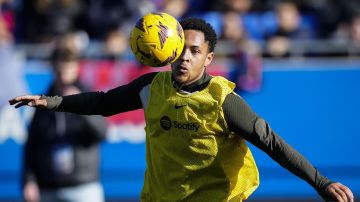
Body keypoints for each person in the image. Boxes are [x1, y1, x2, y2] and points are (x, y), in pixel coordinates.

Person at [10, 18, 354, 202]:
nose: (184, 57)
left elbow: (272, 143)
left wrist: (322, 183)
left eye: (194, 50)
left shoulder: (223, 101)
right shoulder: (150, 87)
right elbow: (102, 102)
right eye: (180, 49)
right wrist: (50, 101)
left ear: (208, 58)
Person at [20, 48, 107, 202]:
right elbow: (32, 144)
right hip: (49, 187)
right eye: (59, 70)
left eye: (67, 70)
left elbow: (101, 132)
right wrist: (29, 180)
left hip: (83, 186)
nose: (63, 76)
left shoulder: (88, 96)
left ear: (76, 68)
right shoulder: (43, 101)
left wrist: (79, 104)